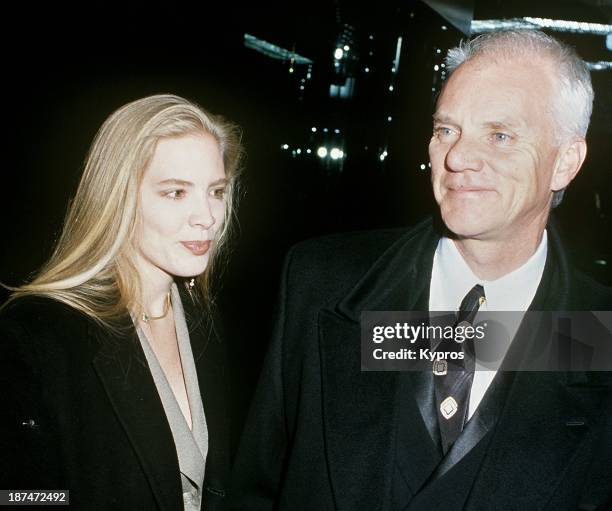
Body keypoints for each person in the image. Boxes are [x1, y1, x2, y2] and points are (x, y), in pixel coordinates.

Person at [229, 30, 612, 510]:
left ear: (566, 163)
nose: (457, 157)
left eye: (499, 135)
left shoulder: (598, 335)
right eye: (446, 130)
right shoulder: (322, 282)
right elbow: (255, 488)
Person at [0, 94, 242, 510]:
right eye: (175, 193)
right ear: (117, 198)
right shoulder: (37, 333)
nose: (208, 216)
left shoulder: (201, 316)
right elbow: (19, 497)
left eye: (216, 191)